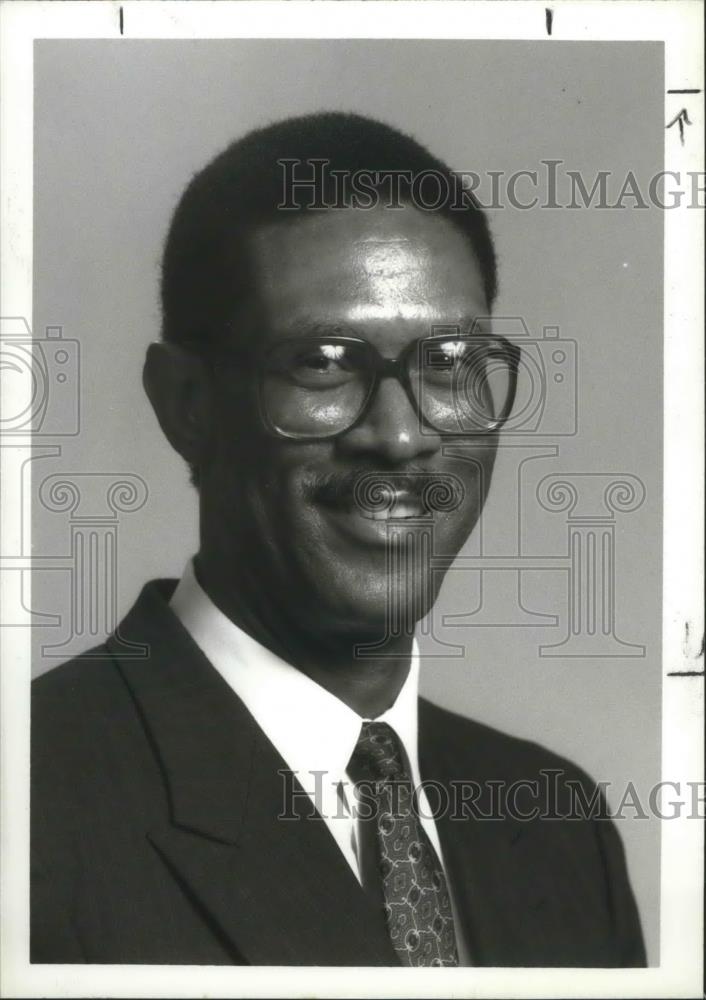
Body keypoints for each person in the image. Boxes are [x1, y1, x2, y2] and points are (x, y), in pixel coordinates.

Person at [31, 112, 646, 967]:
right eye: (322, 361)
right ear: (187, 406)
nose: (399, 438)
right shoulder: (31, 801)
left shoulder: (557, 821)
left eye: (449, 362)